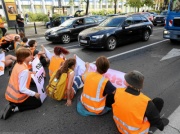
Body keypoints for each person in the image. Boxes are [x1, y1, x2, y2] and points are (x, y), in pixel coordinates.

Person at [1, 48, 41, 120]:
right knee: (37, 102)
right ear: (24, 58)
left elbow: (19, 75)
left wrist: (30, 72)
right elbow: (22, 89)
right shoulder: (24, 70)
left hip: (10, 95)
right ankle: (16, 108)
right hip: (18, 97)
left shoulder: (18, 63)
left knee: (33, 95)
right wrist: (34, 94)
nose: (32, 57)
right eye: (29, 56)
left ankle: (14, 104)